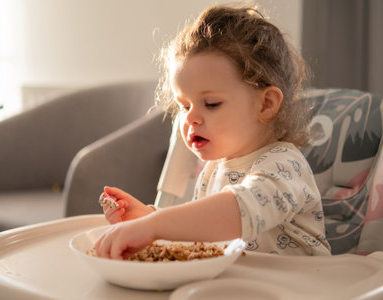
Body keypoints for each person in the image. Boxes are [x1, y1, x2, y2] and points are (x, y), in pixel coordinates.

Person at [95, 3, 331, 259]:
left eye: (211, 104)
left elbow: (238, 211)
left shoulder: (285, 166)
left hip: (304, 287)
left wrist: (153, 226)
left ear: (266, 104)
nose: (190, 117)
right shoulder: (213, 169)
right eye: (184, 105)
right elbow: (203, 233)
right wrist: (148, 218)